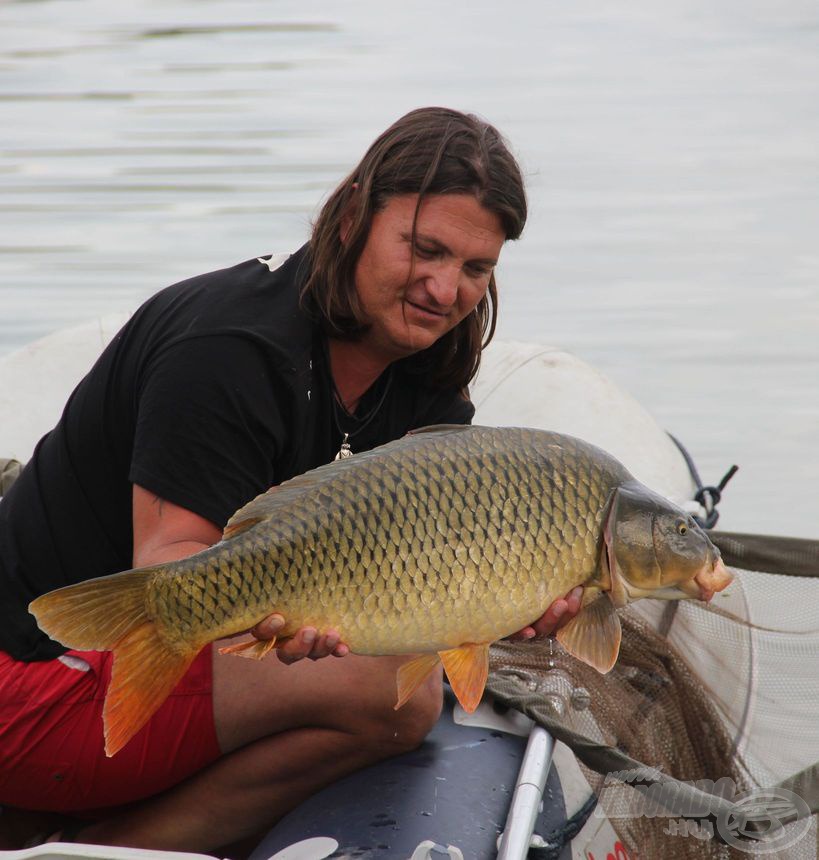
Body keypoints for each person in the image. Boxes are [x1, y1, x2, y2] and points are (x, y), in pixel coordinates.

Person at [0, 107, 582, 856]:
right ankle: (108, 846)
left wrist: (509, 597)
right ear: (351, 219)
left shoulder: (430, 365)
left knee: (408, 673)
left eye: (476, 269)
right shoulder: (227, 348)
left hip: (119, 678)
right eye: (424, 249)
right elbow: (169, 568)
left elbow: (424, 559)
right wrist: (288, 614)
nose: (444, 290)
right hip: (33, 673)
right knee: (394, 705)